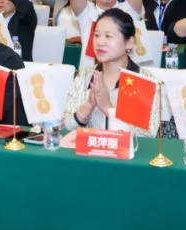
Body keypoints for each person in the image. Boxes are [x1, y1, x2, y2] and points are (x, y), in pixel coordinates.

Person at [59, 8, 162, 136]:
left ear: (129, 43)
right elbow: (63, 129)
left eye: (108, 36)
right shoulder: (85, 76)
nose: (100, 42)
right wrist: (88, 106)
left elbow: (146, 136)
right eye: (97, 35)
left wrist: (108, 109)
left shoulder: (144, 81)